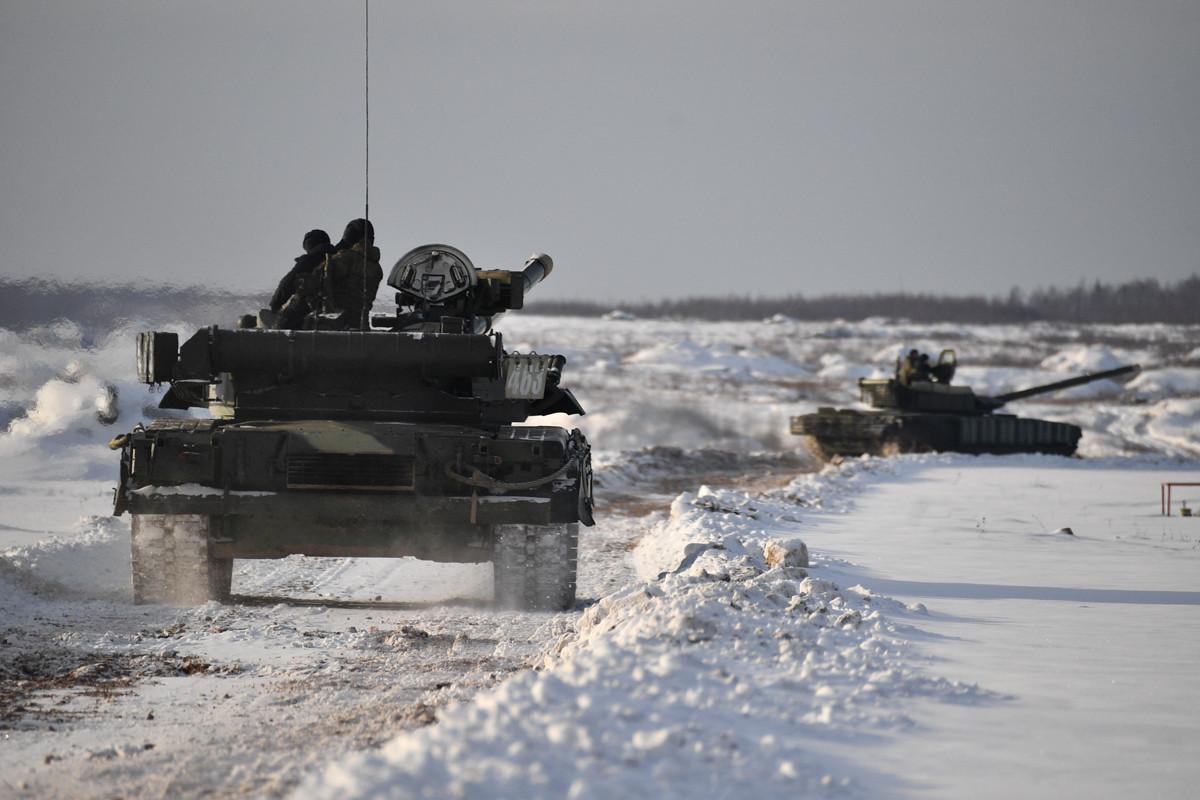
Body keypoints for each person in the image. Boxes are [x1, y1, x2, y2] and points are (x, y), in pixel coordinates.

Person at [316, 218, 383, 329]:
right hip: (359, 325)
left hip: (335, 324)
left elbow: (315, 279)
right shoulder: (376, 267)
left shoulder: (345, 259)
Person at [270, 229, 335, 328]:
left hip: (310, 312)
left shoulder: (310, 261)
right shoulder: (340, 258)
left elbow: (287, 284)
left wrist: (275, 305)